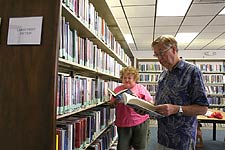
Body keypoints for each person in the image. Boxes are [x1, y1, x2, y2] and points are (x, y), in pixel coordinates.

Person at [151, 35, 209, 150]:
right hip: (162, 136)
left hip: (182, 140)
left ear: (173, 49)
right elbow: (160, 104)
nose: (159, 58)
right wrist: (146, 109)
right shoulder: (163, 75)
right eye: (156, 55)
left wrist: (176, 109)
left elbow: (202, 108)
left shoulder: (192, 71)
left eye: (161, 53)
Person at [110, 66, 154, 150]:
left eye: (129, 78)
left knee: (140, 146)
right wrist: (115, 102)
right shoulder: (117, 89)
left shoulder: (140, 88)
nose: (126, 80)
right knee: (122, 147)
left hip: (140, 122)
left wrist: (137, 100)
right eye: (124, 78)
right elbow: (112, 105)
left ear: (135, 79)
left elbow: (150, 103)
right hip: (123, 123)